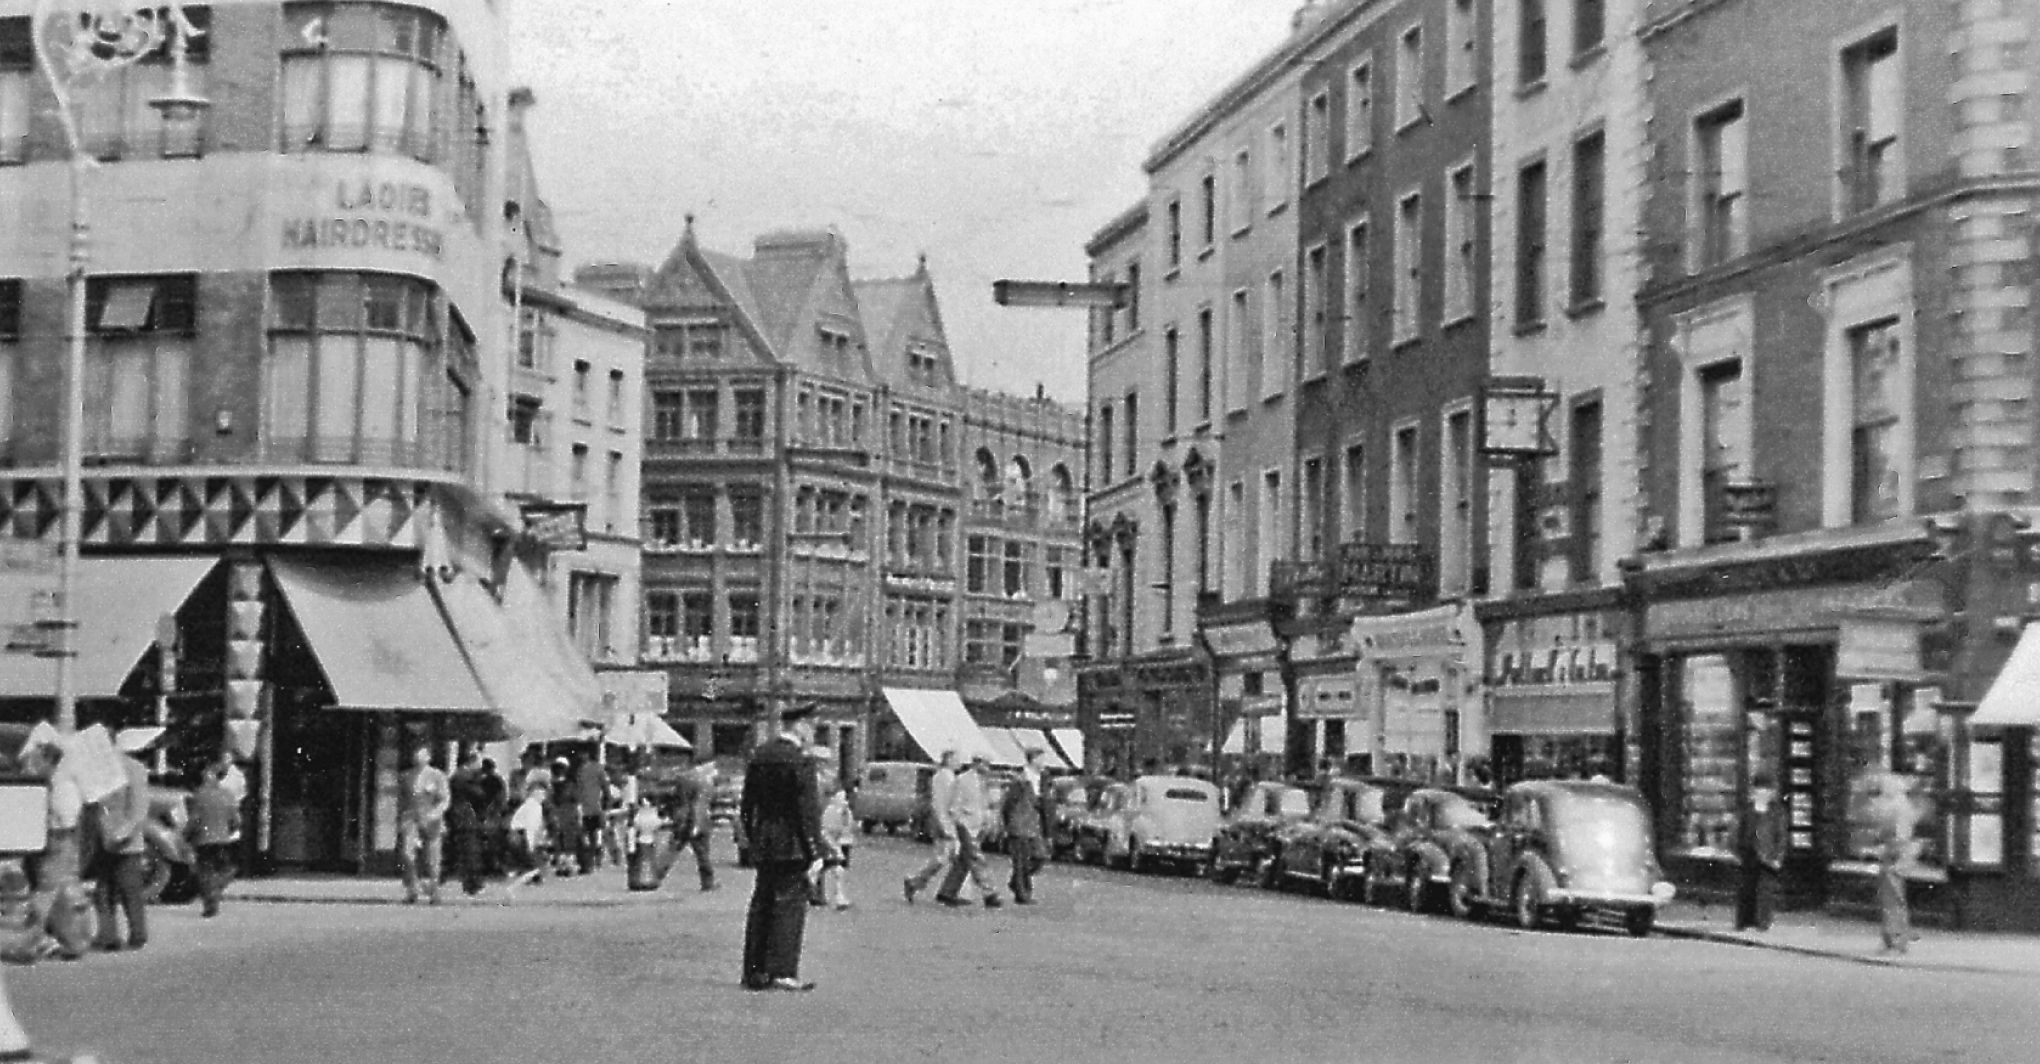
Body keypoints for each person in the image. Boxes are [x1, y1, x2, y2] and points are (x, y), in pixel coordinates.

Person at [739, 703, 826, 992]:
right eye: (812, 726)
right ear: (800, 726)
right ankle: (782, 970)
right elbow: (807, 811)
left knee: (761, 904)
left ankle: (754, 970)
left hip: (764, 841)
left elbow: (747, 806)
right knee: (789, 907)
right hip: (792, 844)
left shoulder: (760, 755)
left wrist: (753, 838)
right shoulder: (800, 760)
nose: (813, 732)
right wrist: (815, 851)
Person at [89, 729, 157, 951]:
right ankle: (108, 935)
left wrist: (125, 831)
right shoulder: (100, 769)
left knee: (128, 891)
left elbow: (139, 807)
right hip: (105, 838)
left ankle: (137, 934)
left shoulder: (133, 768)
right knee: (104, 892)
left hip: (126, 842)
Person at [935, 753, 1003, 909]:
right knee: (977, 859)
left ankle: (946, 892)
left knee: (964, 861)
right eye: (985, 764)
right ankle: (990, 893)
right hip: (965, 825)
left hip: (977, 826)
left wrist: (988, 821)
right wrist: (958, 822)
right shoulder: (963, 780)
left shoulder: (984, 782)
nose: (987, 768)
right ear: (976, 763)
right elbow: (955, 804)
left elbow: (987, 804)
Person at [903, 749, 962, 904]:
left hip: (942, 821)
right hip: (944, 822)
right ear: (949, 760)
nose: (960, 762)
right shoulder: (946, 778)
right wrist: (947, 825)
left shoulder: (943, 777)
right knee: (943, 858)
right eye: (957, 759)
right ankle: (916, 881)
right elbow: (943, 803)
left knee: (949, 858)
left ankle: (951, 890)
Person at [1871, 772, 1919, 955]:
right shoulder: (1895, 806)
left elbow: (1901, 837)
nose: (1883, 789)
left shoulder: (1900, 807)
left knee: (1893, 900)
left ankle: (1897, 940)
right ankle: (1892, 939)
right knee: (1890, 899)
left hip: (1896, 860)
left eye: (1886, 786)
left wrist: (1886, 850)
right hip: (1893, 858)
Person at [188, 758, 242, 918]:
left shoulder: (200, 795)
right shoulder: (228, 795)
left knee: (205, 873)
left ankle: (210, 902)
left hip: (204, 840)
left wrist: (187, 834)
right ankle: (216, 888)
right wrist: (228, 830)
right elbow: (236, 820)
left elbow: (195, 820)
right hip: (223, 839)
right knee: (226, 868)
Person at [397, 744, 451, 905]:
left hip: (432, 819)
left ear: (428, 757)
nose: (418, 757)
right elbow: (401, 800)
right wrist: (401, 819)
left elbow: (445, 799)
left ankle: (435, 890)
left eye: (421, 754)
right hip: (411, 818)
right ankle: (412, 888)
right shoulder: (405, 776)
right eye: (416, 754)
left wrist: (436, 813)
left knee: (432, 858)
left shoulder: (437, 776)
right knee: (407, 853)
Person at [1735, 774, 1788, 931]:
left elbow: (1782, 836)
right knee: (1747, 888)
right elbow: (1739, 831)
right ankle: (1745, 921)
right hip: (1749, 855)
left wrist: (1778, 857)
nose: (1762, 793)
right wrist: (1739, 852)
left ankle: (1763, 922)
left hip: (1767, 856)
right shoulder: (1747, 810)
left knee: (1765, 890)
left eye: (1766, 790)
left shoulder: (1777, 812)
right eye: (1759, 790)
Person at [1001, 748, 1050, 905]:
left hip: (1034, 825)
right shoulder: (1020, 779)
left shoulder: (1043, 778)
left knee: (1040, 856)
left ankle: (1016, 881)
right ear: (1033, 759)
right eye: (1041, 759)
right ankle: (1023, 894)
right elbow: (1008, 803)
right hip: (1020, 824)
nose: (1044, 762)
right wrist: (1009, 822)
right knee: (1021, 861)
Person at [667, 754, 719, 892]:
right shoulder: (705, 781)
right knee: (702, 852)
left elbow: (675, 798)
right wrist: (697, 824)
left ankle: (656, 874)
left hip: (681, 816)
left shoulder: (683, 777)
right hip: (698, 819)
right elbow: (699, 804)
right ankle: (708, 882)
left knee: (673, 848)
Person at [446, 751, 489, 897]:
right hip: (464, 817)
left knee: (465, 851)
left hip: (460, 816)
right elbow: (478, 794)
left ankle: (469, 882)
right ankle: (473, 883)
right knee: (471, 850)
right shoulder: (463, 777)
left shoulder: (459, 776)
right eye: (478, 762)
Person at [503, 781, 551, 897]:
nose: (544, 797)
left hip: (514, 836)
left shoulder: (527, 805)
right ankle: (512, 888)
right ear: (535, 793)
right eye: (542, 794)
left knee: (528, 866)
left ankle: (521, 884)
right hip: (520, 837)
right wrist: (530, 845)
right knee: (535, 867)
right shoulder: (534, 806)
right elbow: (530, 827)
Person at [817, 781, 855, 911]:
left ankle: (837, 896)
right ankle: (835, 896)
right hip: (831, 844)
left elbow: (846, 829)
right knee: (829, 868)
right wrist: (834, 848)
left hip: (841, 843)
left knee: (834, 869)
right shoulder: (831, 811)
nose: (846, 801)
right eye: (843, 798)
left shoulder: (846, 812)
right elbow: (826, 831)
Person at [575, 753, 607, 874]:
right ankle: (592, 859)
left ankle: (590, 860)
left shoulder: (582, 770)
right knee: (593, 834)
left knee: (587, 834)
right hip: (592, 806)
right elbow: (605, 785)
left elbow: (579, 788)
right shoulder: (596, 769)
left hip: (588, 807)